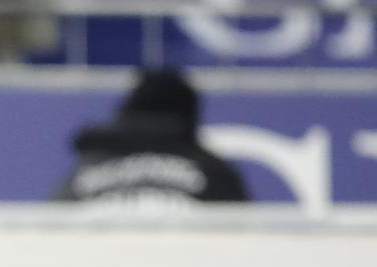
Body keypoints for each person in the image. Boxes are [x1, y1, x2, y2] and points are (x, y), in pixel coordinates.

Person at [53, 67, 249, 208]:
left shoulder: (85, 168)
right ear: (190, 115)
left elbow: (50, 228)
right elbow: (246, 237)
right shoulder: (215, 173)